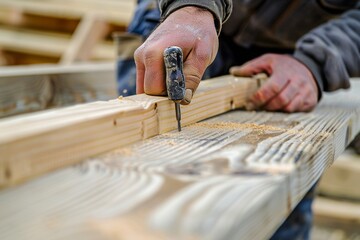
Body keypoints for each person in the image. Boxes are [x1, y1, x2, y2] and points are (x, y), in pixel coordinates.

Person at [118, 0, 360, 239]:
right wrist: (191, 6)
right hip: (172, 17)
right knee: (136, 171)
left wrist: (315, 62)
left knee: (278, 178)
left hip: (289, 47)